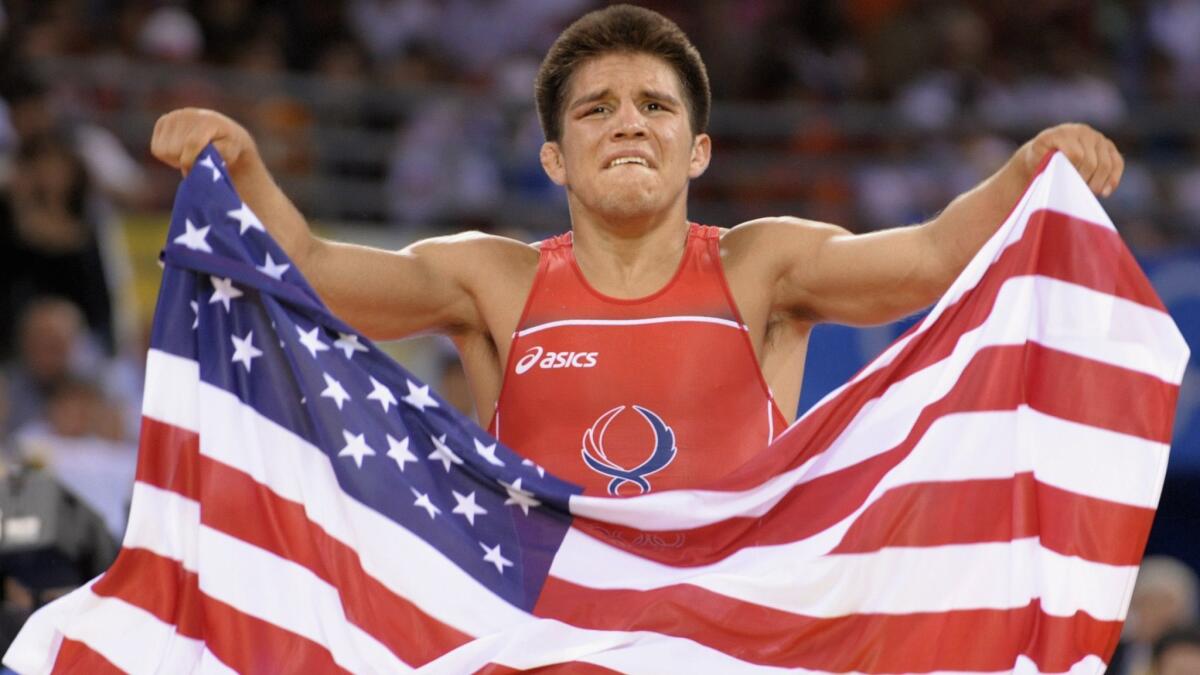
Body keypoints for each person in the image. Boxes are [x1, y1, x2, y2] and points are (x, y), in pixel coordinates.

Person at [149, 5, 1123, 496]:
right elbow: (311, 273)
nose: (628, 124)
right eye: (597, 109)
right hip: (547, 643)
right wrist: (243, 168)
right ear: (554, 158)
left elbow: (924, 261)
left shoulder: (759, 266)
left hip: (721, 649)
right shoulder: (496, 279)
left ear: (697, 149)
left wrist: (1026, 168)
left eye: (656, 107)